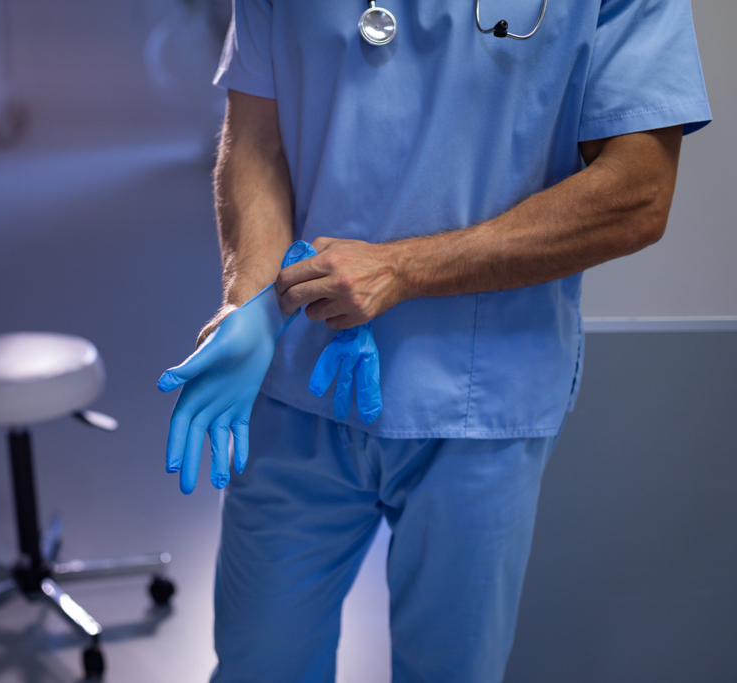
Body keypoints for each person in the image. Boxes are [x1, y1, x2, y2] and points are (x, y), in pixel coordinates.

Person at [180, 1, 711, 681]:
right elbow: (257, 137)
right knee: (259, 664)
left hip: (480, 394)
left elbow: (637, 191)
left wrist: (404, 267)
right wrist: (245, 301)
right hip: (295, 377)